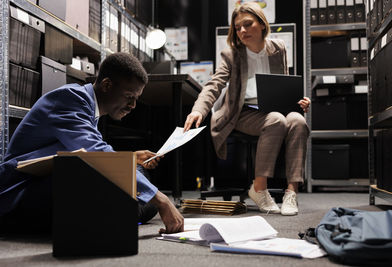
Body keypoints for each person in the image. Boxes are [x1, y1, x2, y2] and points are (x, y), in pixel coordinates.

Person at [0, 52, 184, 233]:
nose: (133, 105)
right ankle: (126, 209)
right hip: (21, 191)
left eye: (136, 99)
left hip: (48, 183)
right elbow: (96, 152)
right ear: (106, 85)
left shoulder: (86, 104)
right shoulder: (70, 98)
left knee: (137, 176)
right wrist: (160, 199)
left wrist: (131, 159)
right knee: (137, 193)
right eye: (129, 97)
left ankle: (124, 210)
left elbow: (87, 151)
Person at [184, 2, 310, 216]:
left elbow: (283, 84)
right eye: (238, 27)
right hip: (241, 112)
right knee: (277, 120)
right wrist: (198, 109)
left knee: (298, 120)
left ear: (262, 24)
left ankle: (292, 191)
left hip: (273, 107)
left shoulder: (278, 48)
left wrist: (297, 101)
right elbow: (214, 85)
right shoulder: (231, 54)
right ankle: (259, 188)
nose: (242, 31)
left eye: (247, 24)